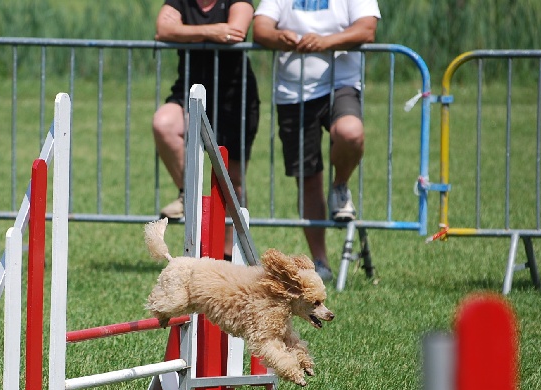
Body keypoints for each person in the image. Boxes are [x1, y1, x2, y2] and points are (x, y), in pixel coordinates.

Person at [252, 0, 380, 281]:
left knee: (350, 132)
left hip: (341, 83)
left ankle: (340, 186)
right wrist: (278, 37)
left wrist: (326, 41)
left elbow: (367, 29)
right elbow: (260, 28)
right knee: (308, 177)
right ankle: (320, 264)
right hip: (293, 92)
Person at [152, 0, 260, 258]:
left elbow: (237, 31)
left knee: (232, 180)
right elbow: (164, 29)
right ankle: (187, 195)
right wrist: (212, 32)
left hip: (234, 95)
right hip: (189, 89)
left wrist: (187, 32)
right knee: (164, 123)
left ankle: (228, 256)